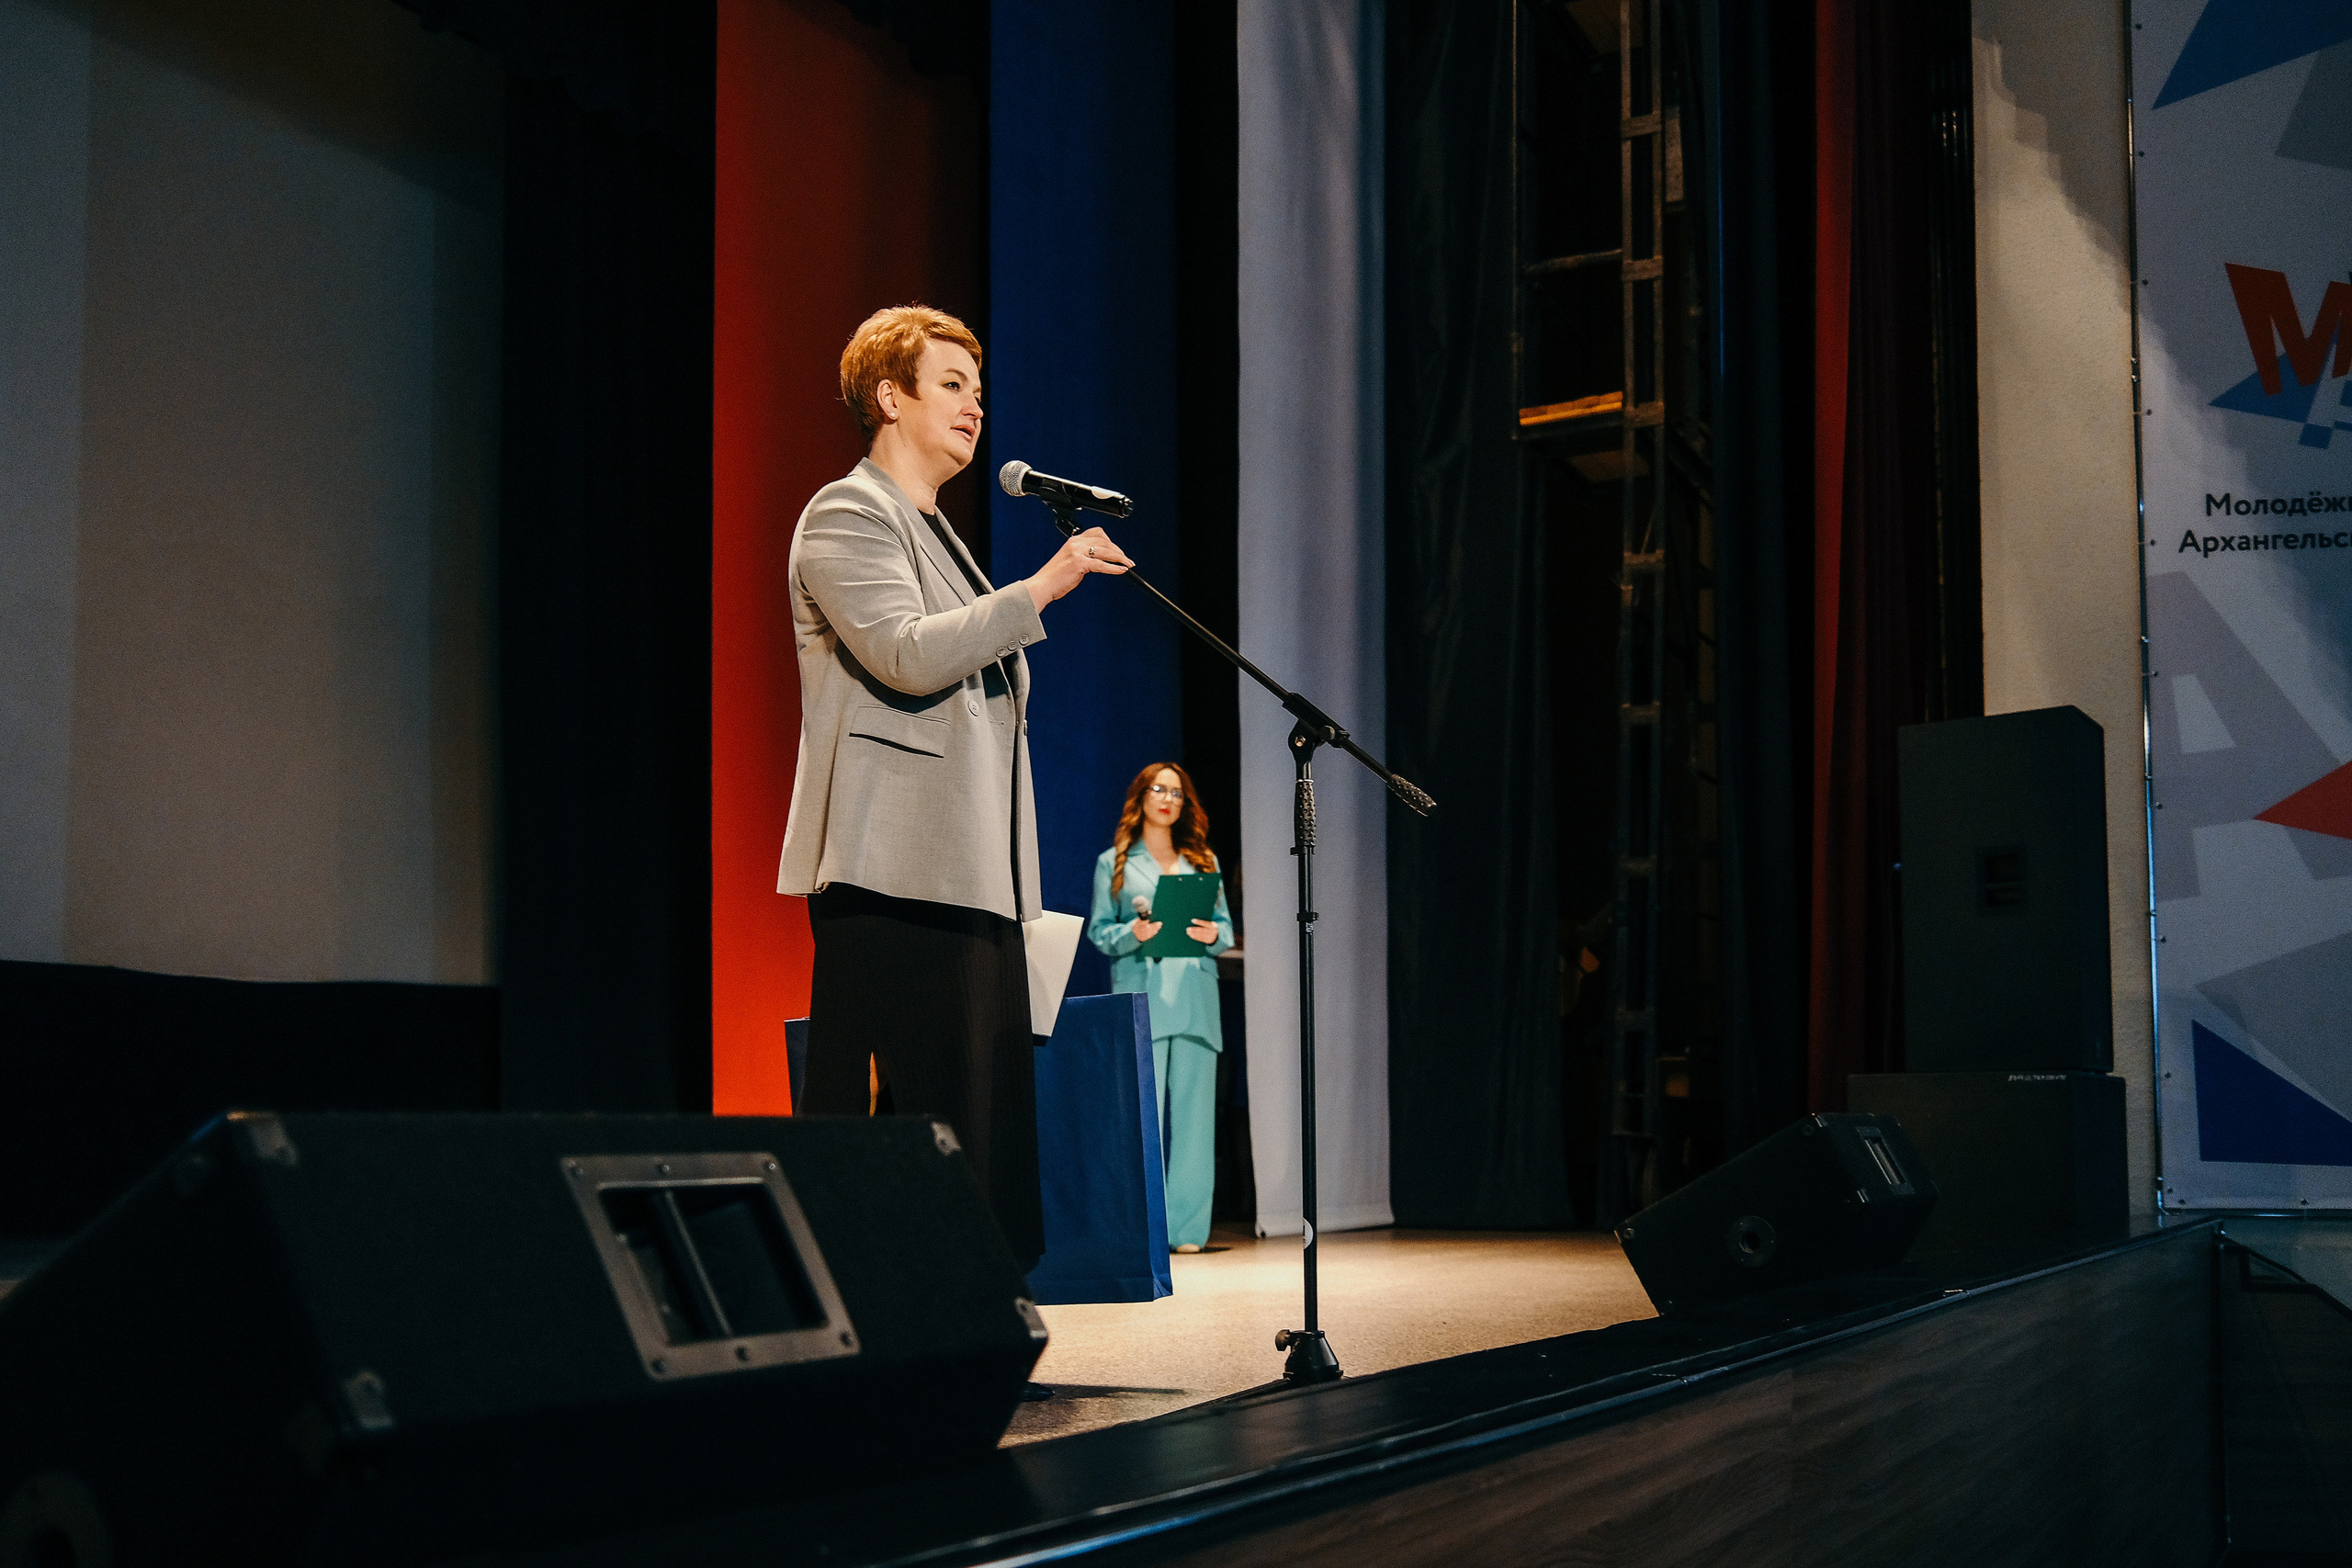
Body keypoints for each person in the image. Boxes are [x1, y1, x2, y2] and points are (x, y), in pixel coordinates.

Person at [778, 303, 1133, 1280]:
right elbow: (904, 652)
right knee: (914, 1117)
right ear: (889, 397)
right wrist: (1042, 587)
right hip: (893, 868)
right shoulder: (848, 512)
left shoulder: (936, 533)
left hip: (969, 871)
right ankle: (893, 1302)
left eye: (979, 390)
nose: (975, 406)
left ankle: (965, 1300)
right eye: (951, 385)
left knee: (978, 1119)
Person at [1087, 762, 1236, 1253]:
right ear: (1142, 797)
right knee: (1140, 1120)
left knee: (1195, 1123)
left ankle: (1187, 1231)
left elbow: (1225, 930)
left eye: (1177, 792)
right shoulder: (1115, 862)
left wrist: (1213, 935)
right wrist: (1134, 932)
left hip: (1194, 998)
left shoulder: (1203, 860)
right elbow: (1099, 931)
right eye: (1159, 789)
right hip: (1143, 997)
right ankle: (1140, 1229)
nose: (1168, 799)